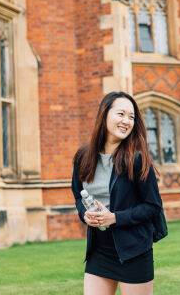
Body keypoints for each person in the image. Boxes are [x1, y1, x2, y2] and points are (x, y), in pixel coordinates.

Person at [71, 92, 163, 295]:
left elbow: (153, 206)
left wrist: (114, 217)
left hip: (134, 250)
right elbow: (79, 195)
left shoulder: (137, 159)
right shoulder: (83, 157)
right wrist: (84, 214)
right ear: (104, 114)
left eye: (131, 117)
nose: (126, 121)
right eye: (121, 114)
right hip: (99, 249)